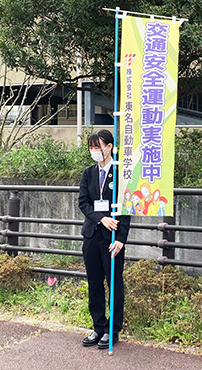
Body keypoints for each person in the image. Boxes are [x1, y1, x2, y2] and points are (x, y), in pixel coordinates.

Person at [78, 129, 131, 349]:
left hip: (112, 239)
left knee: (114, 283)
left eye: (97, 147)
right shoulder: (88, 173)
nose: (94, 151)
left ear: (109, 147)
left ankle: (113, 329)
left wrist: (121, 238)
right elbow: (83, 203)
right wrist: (101, 219)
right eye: (91, 147)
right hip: (92, 235)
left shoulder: (121, 174)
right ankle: (98, 326)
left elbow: (128, 206)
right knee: (94, 283)